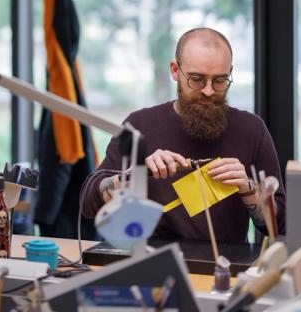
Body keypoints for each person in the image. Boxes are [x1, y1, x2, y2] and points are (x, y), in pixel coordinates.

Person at [80, 27, 286, 243]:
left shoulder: (251, 129)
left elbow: (281, 225)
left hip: (225, 261)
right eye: (197, 79)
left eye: (220, 80)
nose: (208, 91)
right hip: (150, 257)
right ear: (175, 70)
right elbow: (88, 203)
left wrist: (249, 190)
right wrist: (132, 175)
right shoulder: (140, 125)